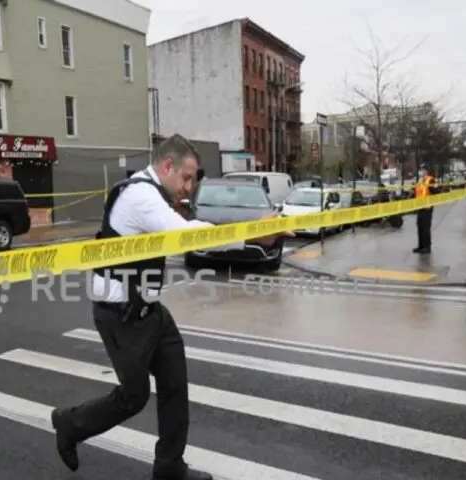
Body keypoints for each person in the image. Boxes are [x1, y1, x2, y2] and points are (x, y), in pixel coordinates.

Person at [50, 134, 292, 480]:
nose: (190, 188)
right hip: (122, 315)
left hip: (150, 311)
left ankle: (169, 468)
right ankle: (70, 423)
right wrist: (254, 234)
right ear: (167, 167)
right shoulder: (140, 195)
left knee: (175, 385)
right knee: (133, 398)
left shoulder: (151, 193)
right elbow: (188, 236)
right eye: (187, 178)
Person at [413, 164, 438, 254]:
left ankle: (427, 247)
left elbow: (435, 191)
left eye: (423, 169)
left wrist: (435, 187)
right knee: (420, 226)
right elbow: (417, 193)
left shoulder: (430, 180)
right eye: (421, 169)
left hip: (427, 207)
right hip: (420, 207)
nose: (422, 171)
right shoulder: (420, 181)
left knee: (426, 227)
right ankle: (421, 246)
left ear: (427, 171)